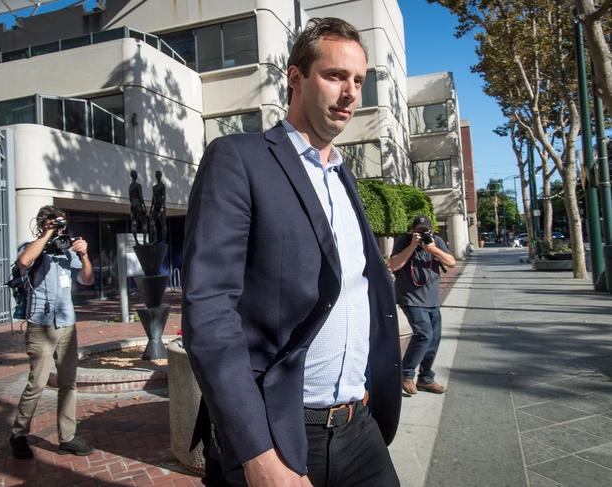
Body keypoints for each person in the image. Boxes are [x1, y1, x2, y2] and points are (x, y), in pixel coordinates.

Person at [182, 17, 401, 487]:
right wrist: (256, 452)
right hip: (279, 428)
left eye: (358, 80)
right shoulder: (238, 158)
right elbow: (208, 309)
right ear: (296, 78)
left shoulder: (345, 178)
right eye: (335, 75)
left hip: (356, 422)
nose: (349, 93)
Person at [10, 205, 95, 459]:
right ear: (41, 224)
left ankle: (67, 437)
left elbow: (88, 280)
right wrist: (46, 234)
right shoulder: (31, 247)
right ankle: (19, 435)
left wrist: (84, 255)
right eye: (52, 223)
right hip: (40, 325)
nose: (58, 228)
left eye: (60, 224)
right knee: (37, 383)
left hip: (67, 325)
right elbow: (24, 261)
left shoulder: (66, 252)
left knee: (69, 383)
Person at [388, 215, 456, 395]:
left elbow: (451, 262)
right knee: (424, 334)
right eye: (418, 231)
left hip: (432, 298)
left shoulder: (436, 241)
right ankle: (406, 374)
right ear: (412, 231)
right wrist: (412, 245)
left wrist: (433, 249)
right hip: (410, 297)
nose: (422, 234)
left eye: (425, 231)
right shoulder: (403, 241)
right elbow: (393, 265)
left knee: (433, 339)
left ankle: (425, 379)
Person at [129, 169, 147, 245]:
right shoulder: (138, 185)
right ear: (135, 176)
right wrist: (143, 206)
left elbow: (130, 198)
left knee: (134, 223)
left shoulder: (130, 186)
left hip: (132, 205)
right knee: (145, 222)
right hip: (138, 205)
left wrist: (133, 203)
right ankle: (144, 241)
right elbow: (141, 197)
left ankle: (136, 242)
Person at [149, 170, 167, 244]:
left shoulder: (162, 186)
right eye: (156, 175)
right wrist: (151, 207)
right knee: (152, 222)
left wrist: (162, 206)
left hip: (161, 205)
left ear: (160, 176)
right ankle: (155, 239)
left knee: (163, 223)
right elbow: (153, 198)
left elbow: (164, 196)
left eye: (158, 175)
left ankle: (163, 240)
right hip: (156, 206)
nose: (157, 176)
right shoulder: (154, 187)